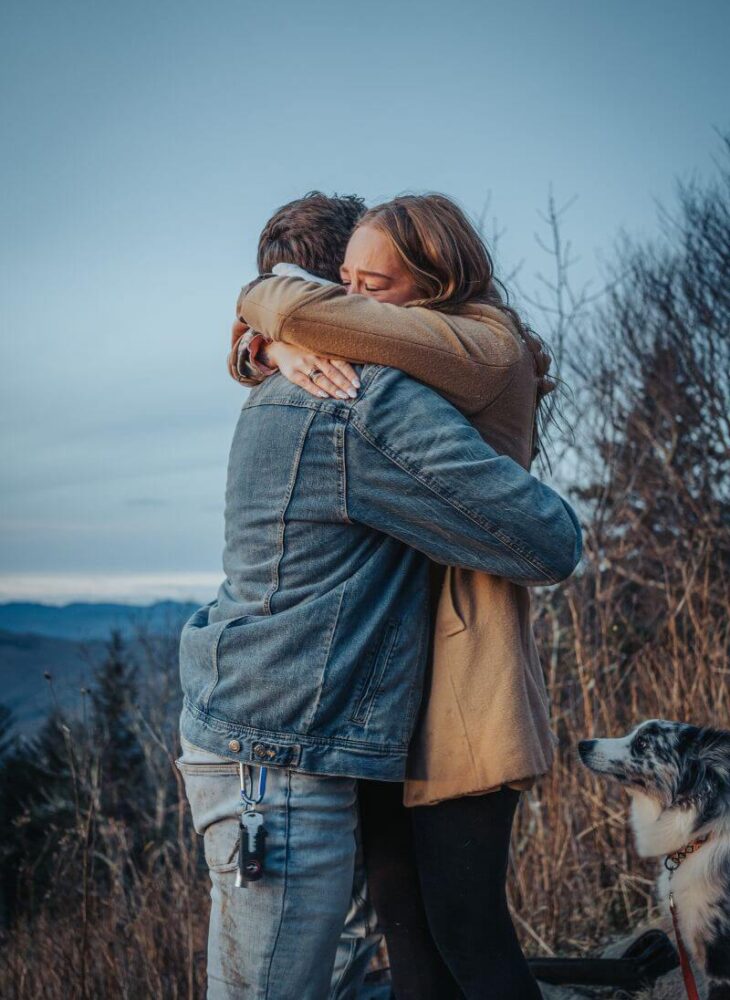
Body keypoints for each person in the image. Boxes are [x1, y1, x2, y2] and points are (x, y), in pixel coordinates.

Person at [177, 195, 582, 1000]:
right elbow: (294, 315)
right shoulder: (364, 381)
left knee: (458, 929)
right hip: (368, 692)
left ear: (429, 289)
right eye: (346, 289)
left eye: (373, 289)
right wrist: (269, 346)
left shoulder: (459, 352)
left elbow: (288, 302)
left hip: (446, 673)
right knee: (404, 933)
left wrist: (276, 321)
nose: (356, 310)